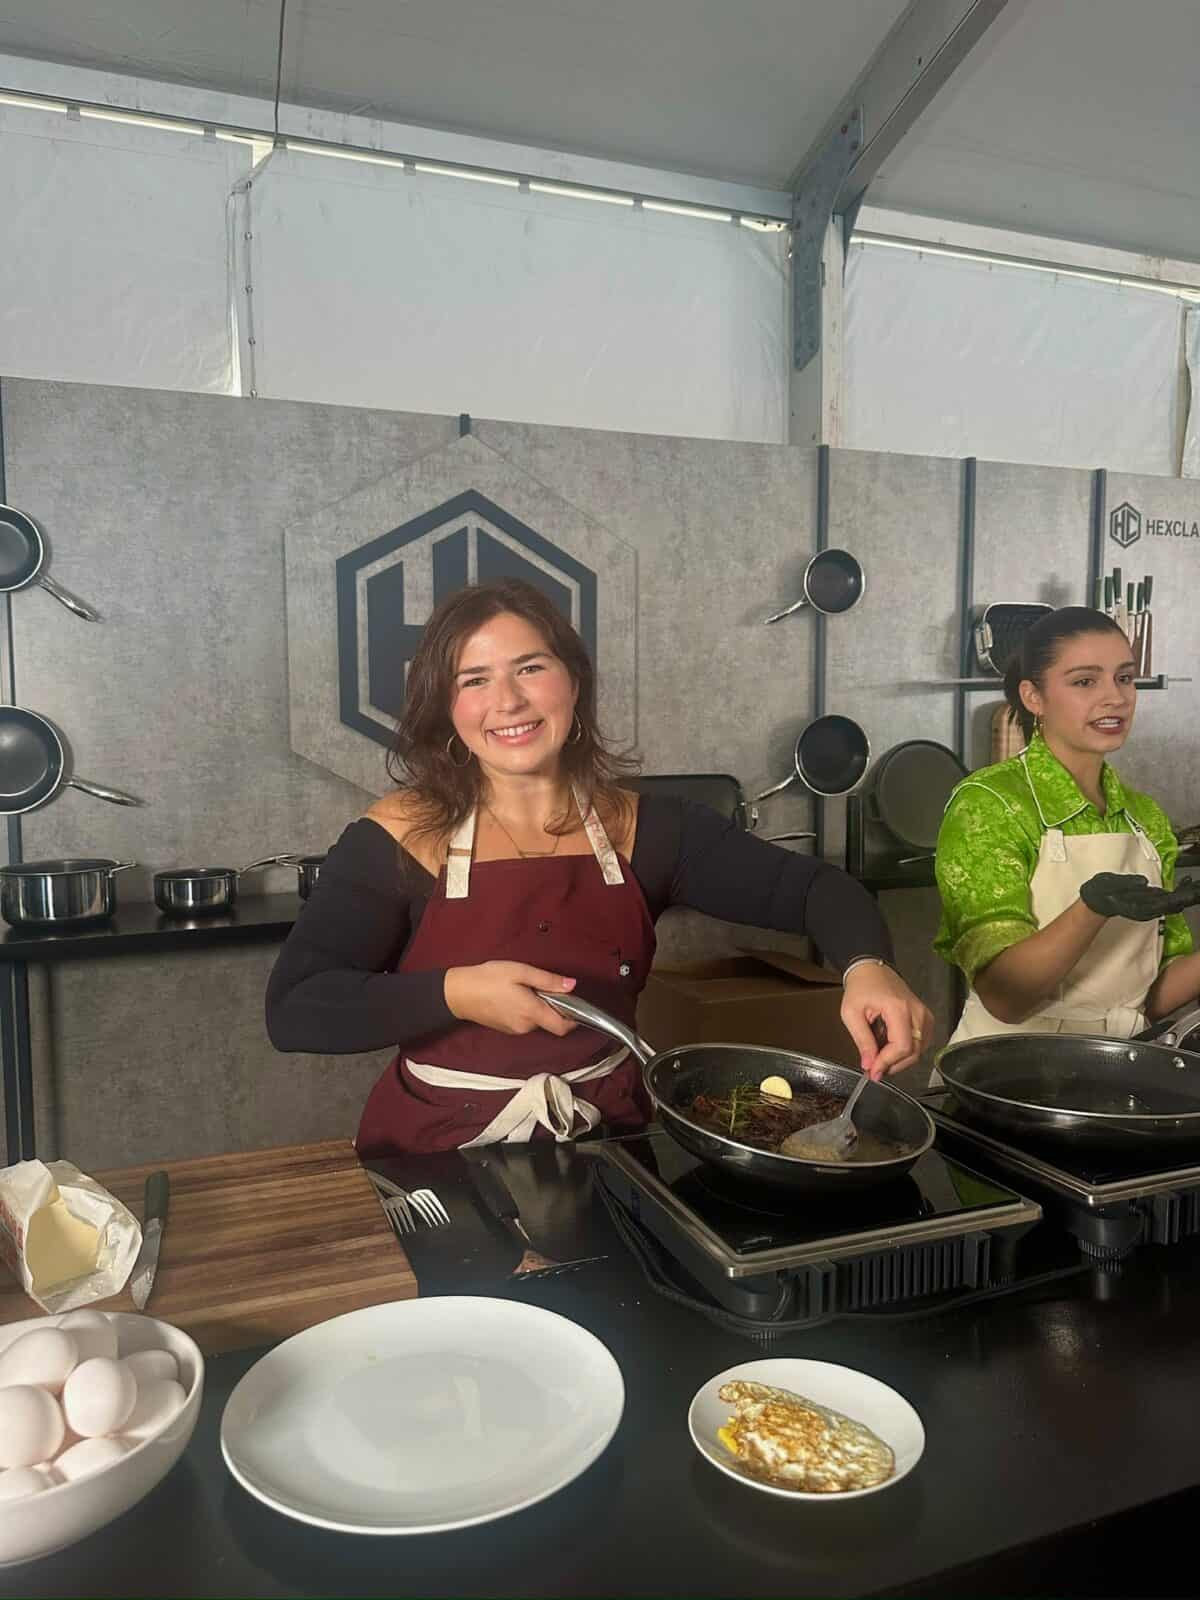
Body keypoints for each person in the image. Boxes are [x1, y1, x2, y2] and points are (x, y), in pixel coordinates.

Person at [267, 578, 933, 1154]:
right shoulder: (398, 836)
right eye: (474, 680)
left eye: (530, 668)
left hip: (608, 1141)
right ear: (448, 707)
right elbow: (296, 1009)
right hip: (435, 1154)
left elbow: (819, 890)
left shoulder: (649, 829)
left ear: (574, 681)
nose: (508, 701)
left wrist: (866, 965)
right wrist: (456, 993)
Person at [934, 605, 1200, 1049]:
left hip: (1121, 1063)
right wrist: (1090, 910)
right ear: (1033, 696)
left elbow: (1144, 1000)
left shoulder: (1145, 817)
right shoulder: (989, 804)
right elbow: (1006, 998)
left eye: (1125, 678)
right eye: (1084, 681)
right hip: (1006, 1069)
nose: (1115, 697)